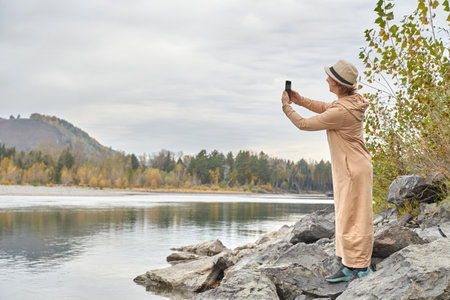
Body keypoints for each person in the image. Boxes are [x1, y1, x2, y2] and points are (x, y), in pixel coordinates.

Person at [281, 59, 374, 282]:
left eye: (329, 77)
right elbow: (325, 107)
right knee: (345, 214)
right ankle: (347, 263)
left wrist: (287, 106)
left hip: (352, 168)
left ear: (339, 84)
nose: (326, 80)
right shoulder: (348, 102)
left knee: (355, 216)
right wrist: (299, 99)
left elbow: (304, 124)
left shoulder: (342, 111)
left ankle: (360, 267)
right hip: (351, 166)